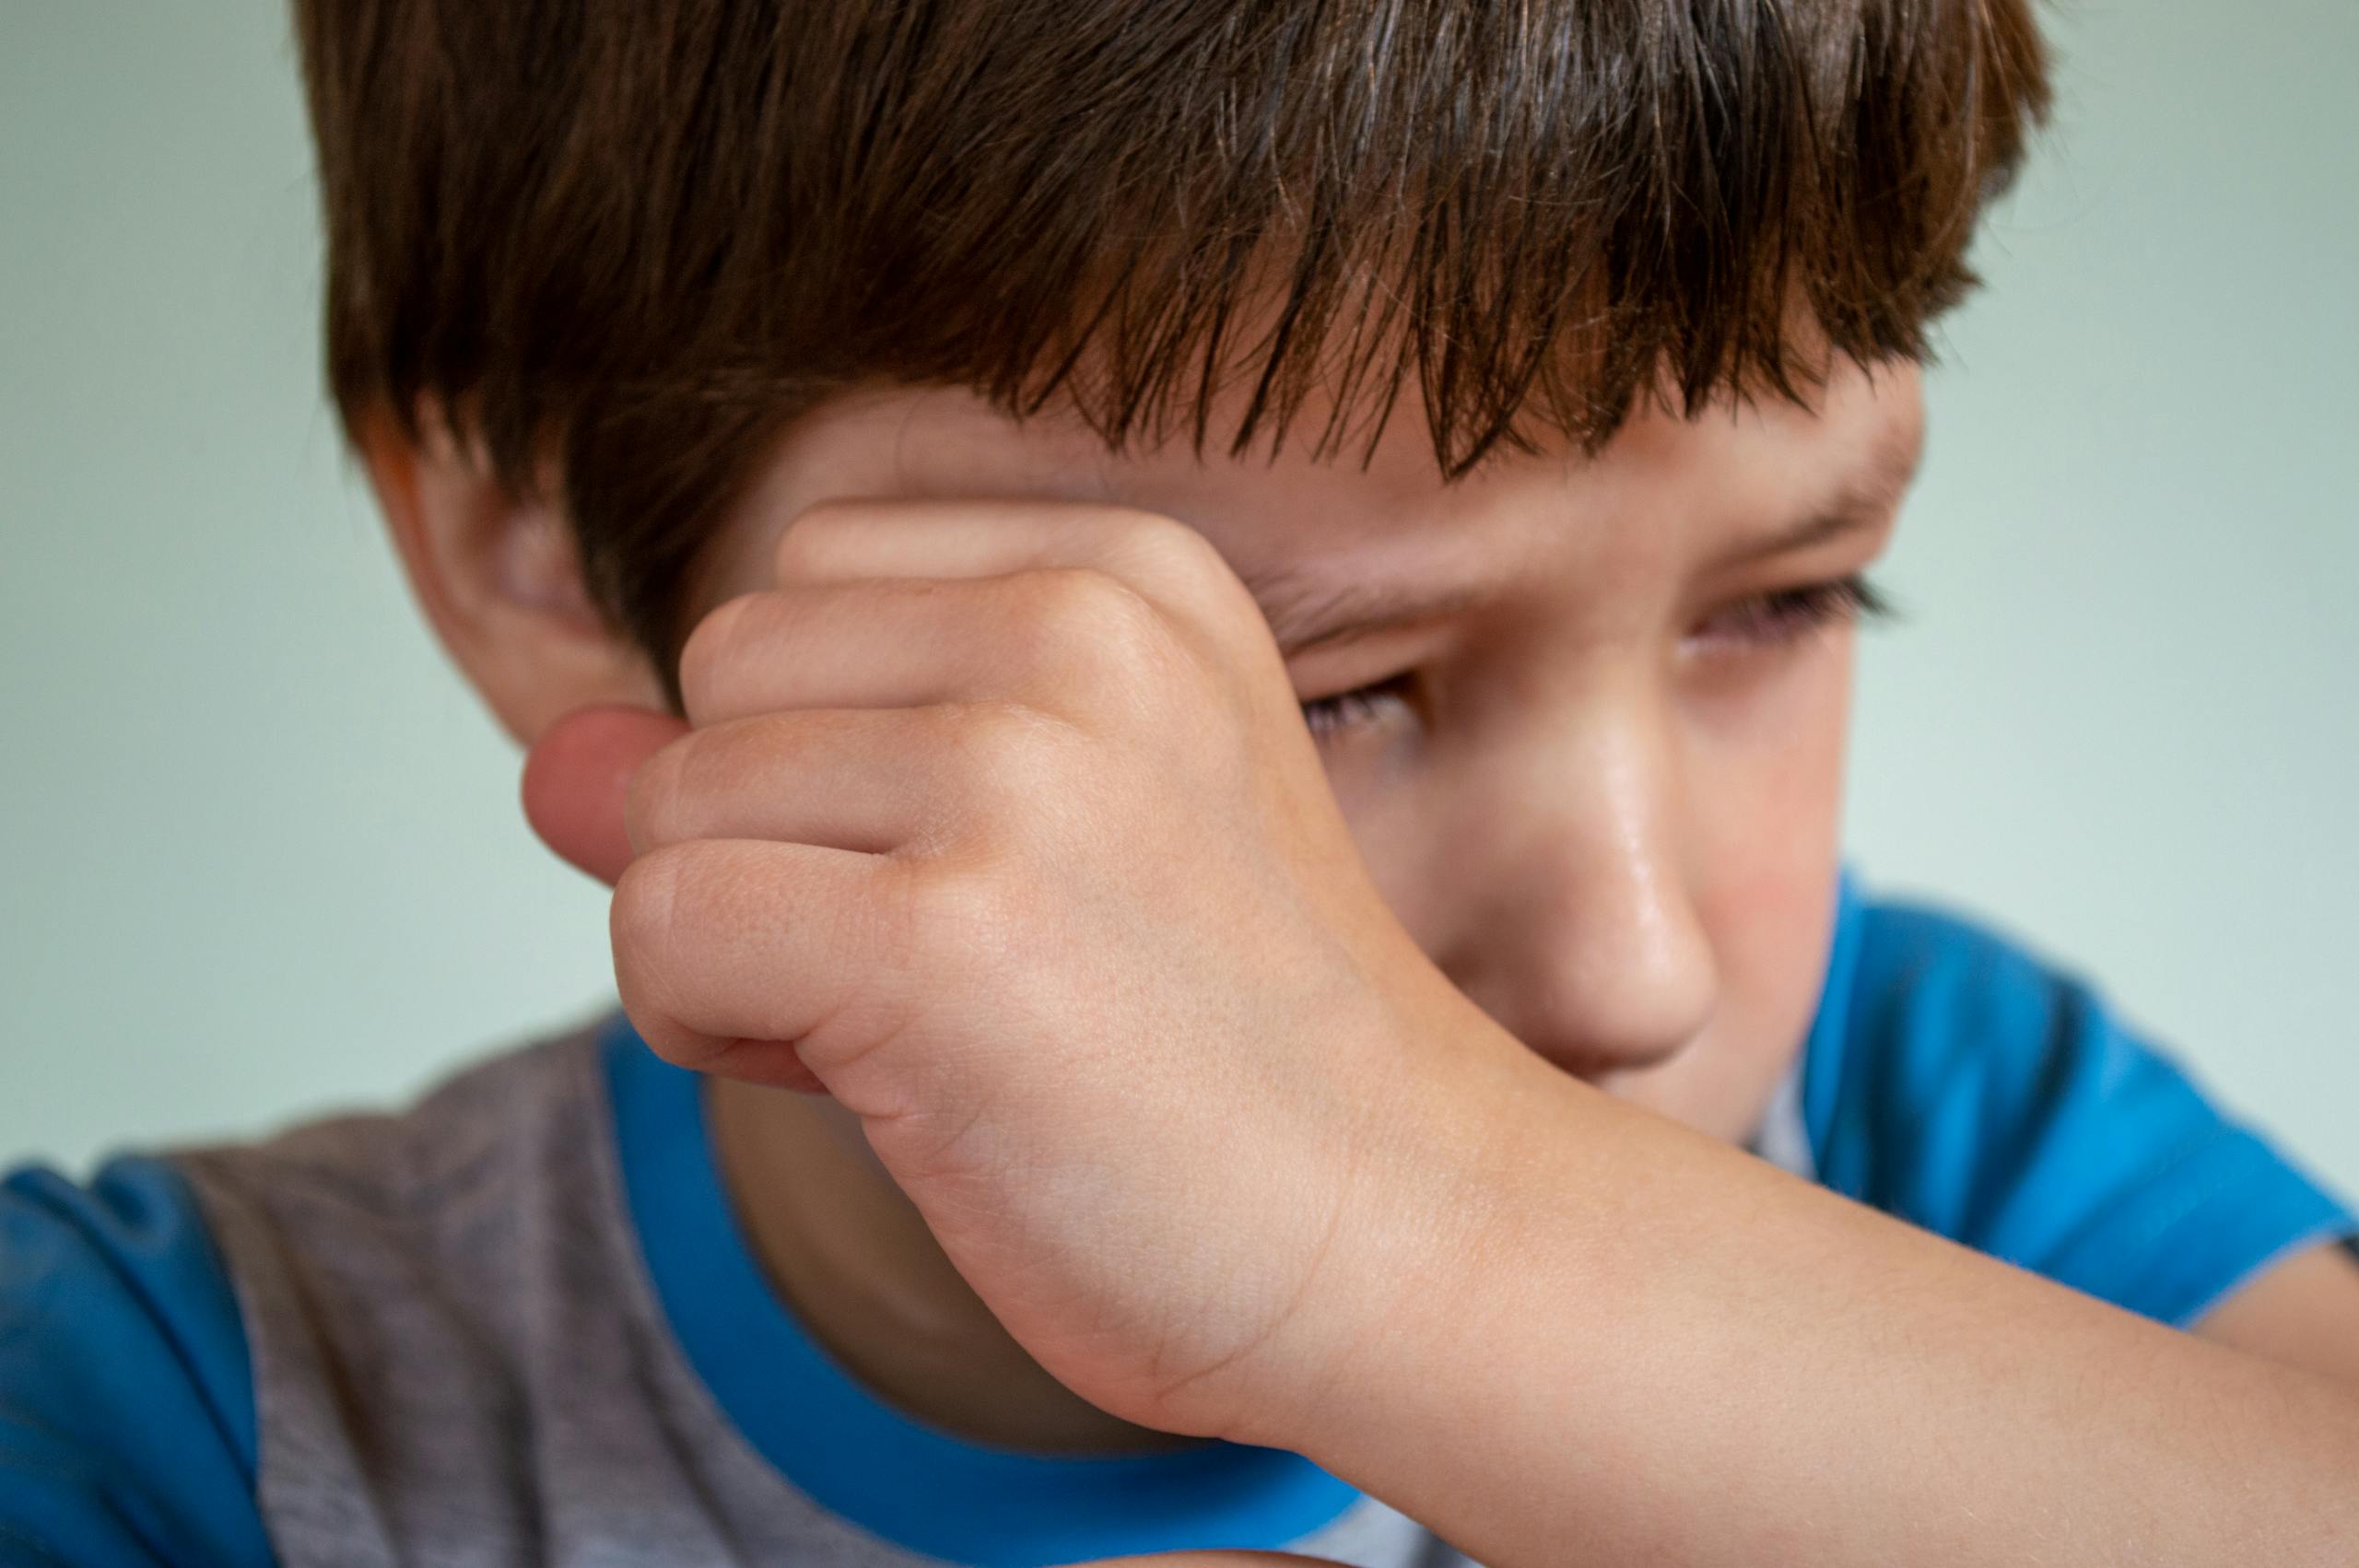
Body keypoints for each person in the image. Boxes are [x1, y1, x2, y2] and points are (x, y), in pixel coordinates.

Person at [6, 3, 2357, 1564]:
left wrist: (1411, 1231)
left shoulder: (1965, 1153)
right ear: (533, 537)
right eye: (1305, 689)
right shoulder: (176, 1412)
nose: (1634, 963)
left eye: (1778, 601)